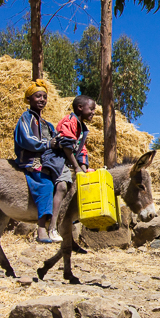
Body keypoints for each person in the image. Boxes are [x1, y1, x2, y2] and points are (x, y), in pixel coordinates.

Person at [14, 79, 67, 244]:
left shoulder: (47, 124)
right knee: (46, 185)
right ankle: (42, 229)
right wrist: (47, 144)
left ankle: (59, 224)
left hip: (48, 161)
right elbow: (26, 139)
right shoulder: (26, 118)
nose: (42, 99)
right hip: (33, 161)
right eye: (38, 96)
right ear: (29, 99)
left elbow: (54, 139)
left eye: (44, 96)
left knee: (64, 183)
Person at [50, 95, 97, 240]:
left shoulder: (81, 128)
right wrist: (76, 167)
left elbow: (81, 150)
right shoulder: (69, 122)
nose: (93, 112)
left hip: (69, 160)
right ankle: (52, 228)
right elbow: (67, 147)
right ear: (80, 108)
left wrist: (84, 168)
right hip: (58, 158)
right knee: (62, 186)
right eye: (91, 109)